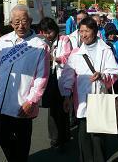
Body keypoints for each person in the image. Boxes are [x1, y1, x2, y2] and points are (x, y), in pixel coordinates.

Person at [0, 5, 50, 162]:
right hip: (0, 105)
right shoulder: (4, 41)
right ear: (11, 23)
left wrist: (31, 101)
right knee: (4, 142)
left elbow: (42, 78)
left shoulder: (40, 46)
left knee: (21, 149)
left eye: (24, 21)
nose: (20, 25)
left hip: (22, 107)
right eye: (16, 22)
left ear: (31, 21)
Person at [59, 17, 118, 162]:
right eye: (81, 31)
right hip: (81, 101)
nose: (84, 35)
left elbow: (115, 72)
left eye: (87, 31)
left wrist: (102, 76)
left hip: (99, 100)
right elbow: (68, 76)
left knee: (98, 139)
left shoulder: (105, 50)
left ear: (95, 31)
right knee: (83, 139)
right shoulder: (75, 53)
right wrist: (66, 95)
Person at [39, 17, 72, 150]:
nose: (48, 35)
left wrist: (55, 58)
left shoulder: (64, 40)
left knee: (62, 108)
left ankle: (64, 135)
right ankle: (54, 138)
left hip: (61, 76)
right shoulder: (43, 43)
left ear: (55, 29)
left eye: (50, 31)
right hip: (49, 78)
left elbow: (69, 57)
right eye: (45, 32)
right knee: (52, 110)